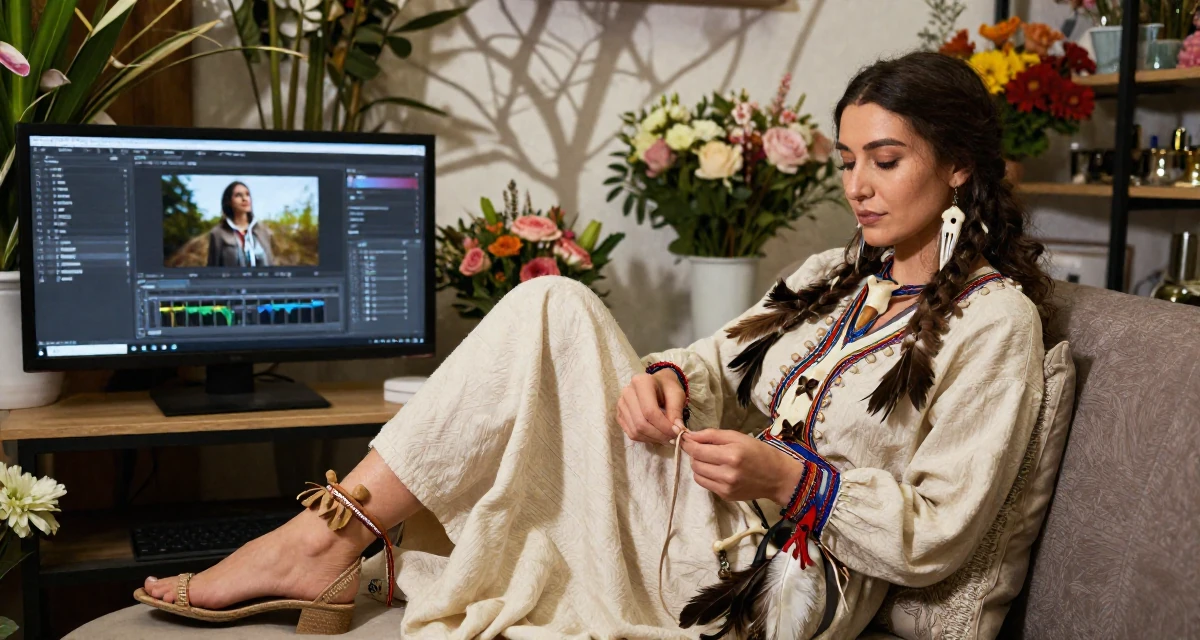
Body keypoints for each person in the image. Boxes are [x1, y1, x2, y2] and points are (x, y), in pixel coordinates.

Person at [135, 51, 1052, 638]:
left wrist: (786, 479)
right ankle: (330, 542)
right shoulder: (833, 272)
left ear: (958, 164)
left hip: (777, 586)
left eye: (884, 161)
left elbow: (938, 535)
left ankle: (322, 544)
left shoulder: (995, 323)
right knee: (553, 306)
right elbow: (717, 359)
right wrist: (666, 378)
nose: (857, 186)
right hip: (714, 516)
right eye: (846, 162)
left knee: (554, 306)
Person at [206, 180, 274, 268]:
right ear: (229, 201)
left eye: (247, 194)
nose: (244, 199)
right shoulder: (218, 233)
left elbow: (271, 264)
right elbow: (213, 268)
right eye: (238, 195)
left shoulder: (263, 231)